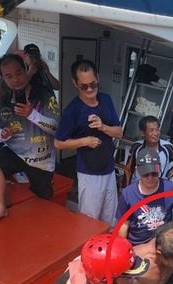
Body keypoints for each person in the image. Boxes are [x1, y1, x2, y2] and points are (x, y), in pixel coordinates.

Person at [0, 53, 60, 226]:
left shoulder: (44, 95)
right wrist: (0, 133)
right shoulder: (2, 101)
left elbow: (56, 127)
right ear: (3, 78)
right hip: (15, 152)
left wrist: (31, 114)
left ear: (27, 70)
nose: (16, 79)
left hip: (41, 160)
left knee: (44, 198)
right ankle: (0, 208)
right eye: (9, 76)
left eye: (19, 73)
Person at [54, 59, 123, 226]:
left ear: (97, 78)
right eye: (84, 86)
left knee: (110, 220)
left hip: (109, 170)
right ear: (75, 84)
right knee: (88, 222)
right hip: (89, 174)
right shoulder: (72, 111)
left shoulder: (106, 100)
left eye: (93, 84)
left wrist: (103, 127)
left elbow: (119, 132)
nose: (90, 89)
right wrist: (85, 141)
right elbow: (58, 143)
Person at [116, 148, 173, 245]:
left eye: (154, 174)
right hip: (137, 245)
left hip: (163, 242)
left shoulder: (171, 188)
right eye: (145, 174)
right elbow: (123, 225)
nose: (150, 178)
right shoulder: (128, 194)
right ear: (138, 171)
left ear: (159, 169)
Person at [124, 115, 173, 184]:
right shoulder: (137, 146)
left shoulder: (167, 147)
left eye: (157, 129)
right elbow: (128, 169)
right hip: (139, 187)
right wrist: (125, 188)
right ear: (142, 133)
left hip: (159, 189)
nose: (155, 133)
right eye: (151, 130)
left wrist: (167, 176)